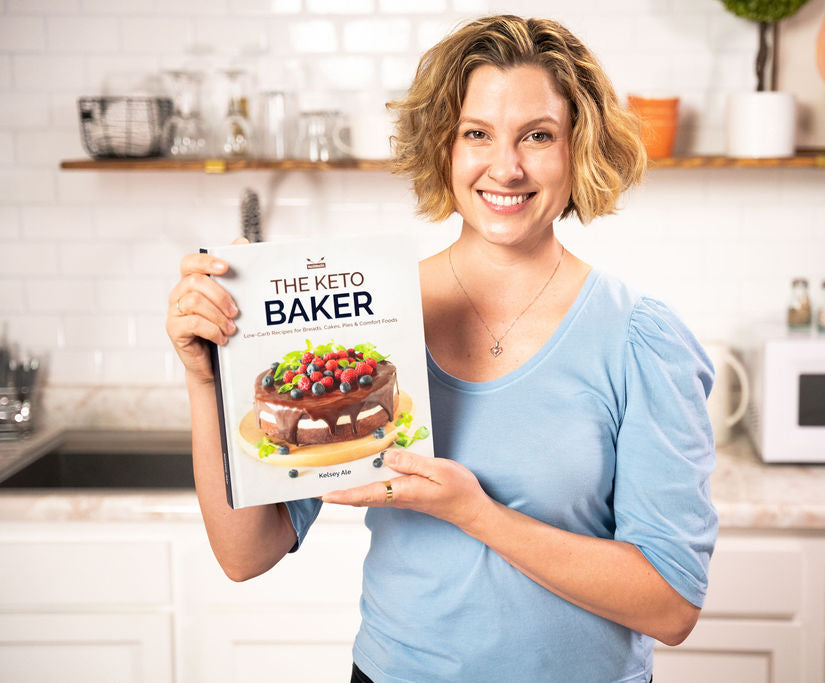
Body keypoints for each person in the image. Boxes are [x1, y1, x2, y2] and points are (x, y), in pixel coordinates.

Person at [166, 15, 717, 683]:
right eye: (476, 134)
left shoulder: (639, 336)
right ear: (444, 148)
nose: (505, 166)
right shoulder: (366, 319)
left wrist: (473, 512)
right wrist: (207, 382)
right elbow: (244, 554)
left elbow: (671, 604)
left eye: (537, 136)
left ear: (579, 148)